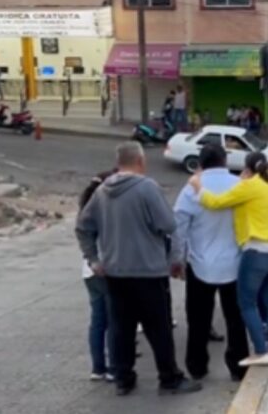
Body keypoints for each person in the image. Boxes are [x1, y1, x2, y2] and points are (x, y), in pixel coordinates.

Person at [76, 142, 201, 396]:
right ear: (140, 161)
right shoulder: (147, 188)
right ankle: (169, 378)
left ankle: (123, 378)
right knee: (159, 329)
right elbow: (168, 224)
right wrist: (175, 260)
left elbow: (83, 227)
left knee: (121, 328)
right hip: (148, 272)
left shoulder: (101, 192)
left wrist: (93, 259)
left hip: (114, 272)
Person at [189, 152, 268, 367]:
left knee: (246, 302)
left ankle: (260, 350)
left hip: (257, 249)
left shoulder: (249, 186)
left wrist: (198, 186)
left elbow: (215, 202)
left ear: (247, 168)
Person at [174, 144, 250, 381]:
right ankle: (238, 367)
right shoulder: (240, 186)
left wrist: (177, 259)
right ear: (225, 161)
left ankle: (197, 366)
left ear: (200, 163)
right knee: (236, 319)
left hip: (199, 264)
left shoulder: (191, 189)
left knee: (198, 319)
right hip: (235, 264)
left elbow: (179, 227)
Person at [79, 170, 117, 383]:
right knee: (113, 321)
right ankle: (113, 367)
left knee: (97, 321)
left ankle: (97, 367)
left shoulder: (85, 208)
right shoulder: (104, 209)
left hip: (89, 272)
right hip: (107, 269)